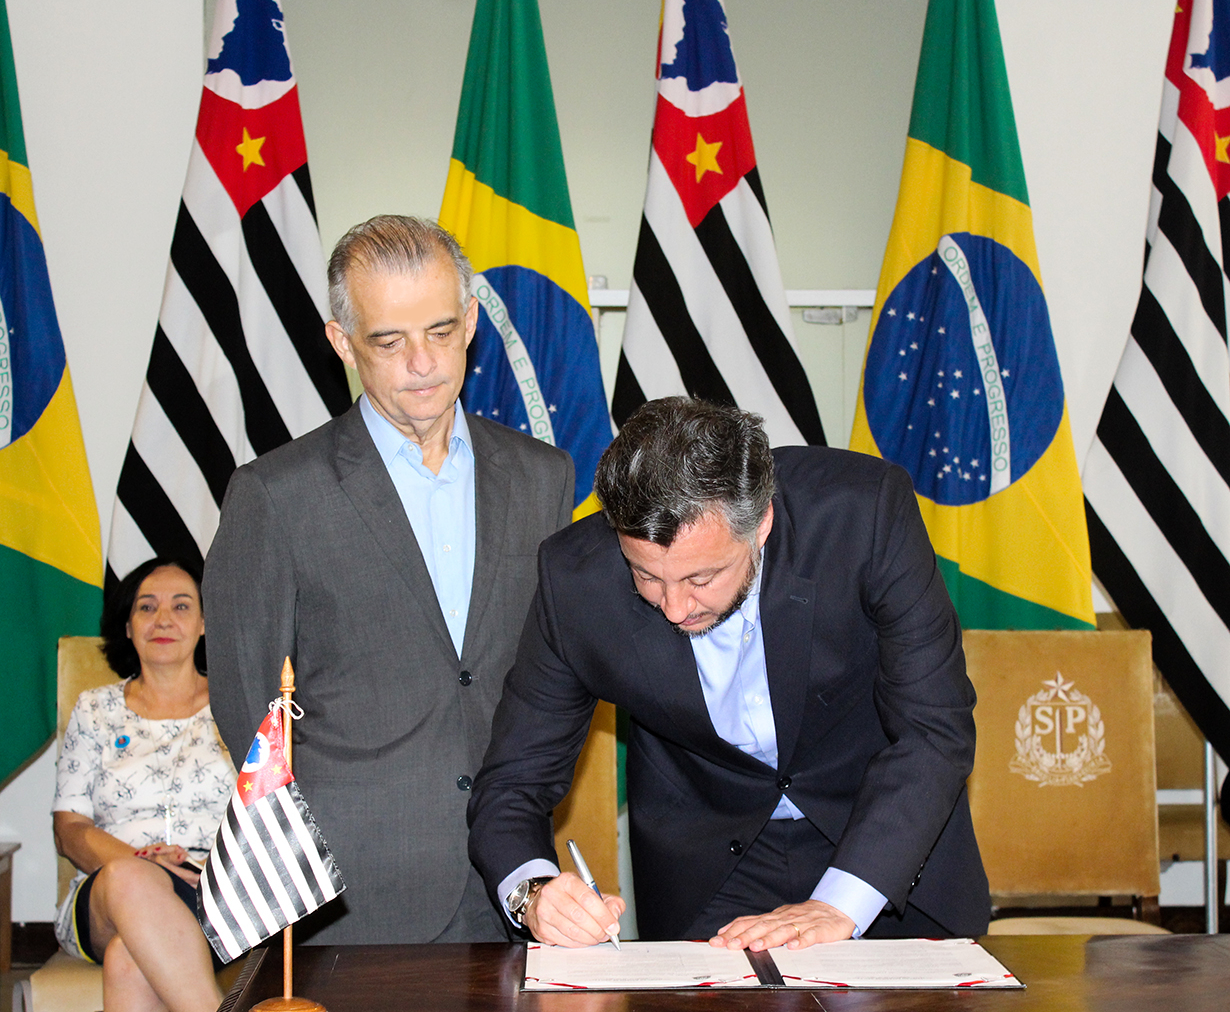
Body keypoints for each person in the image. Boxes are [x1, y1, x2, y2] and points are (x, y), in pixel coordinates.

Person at [469, 396, 991, 949]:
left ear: (761, 523)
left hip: (883, 846)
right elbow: (512, 783)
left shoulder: (864, 513)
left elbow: (935, 729)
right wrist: (533, 893)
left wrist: (838, 904)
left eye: (701, 578)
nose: (674, 608)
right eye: (646, 577)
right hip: (708, 871)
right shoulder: (575, 580)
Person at [204, 215, 574, 944]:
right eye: (389, 341)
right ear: (342, 343)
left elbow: (552, 676)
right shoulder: (275, 494)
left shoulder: (544, 478)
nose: (423, 363)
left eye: (441, 331)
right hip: (349, 895)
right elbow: (248, 708)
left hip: (511, 882)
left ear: (471, 323)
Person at [53, 556, 234, 1012]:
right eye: (147, 607)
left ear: (205, 623)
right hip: (107, 889)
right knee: (132, 879)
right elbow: (69, 828)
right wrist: (142, 864)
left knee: (129, 959)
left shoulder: (238, 705)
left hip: (213, 893)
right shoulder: (94, 710)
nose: (163, 619)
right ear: (128, 626)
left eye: (181, 606)